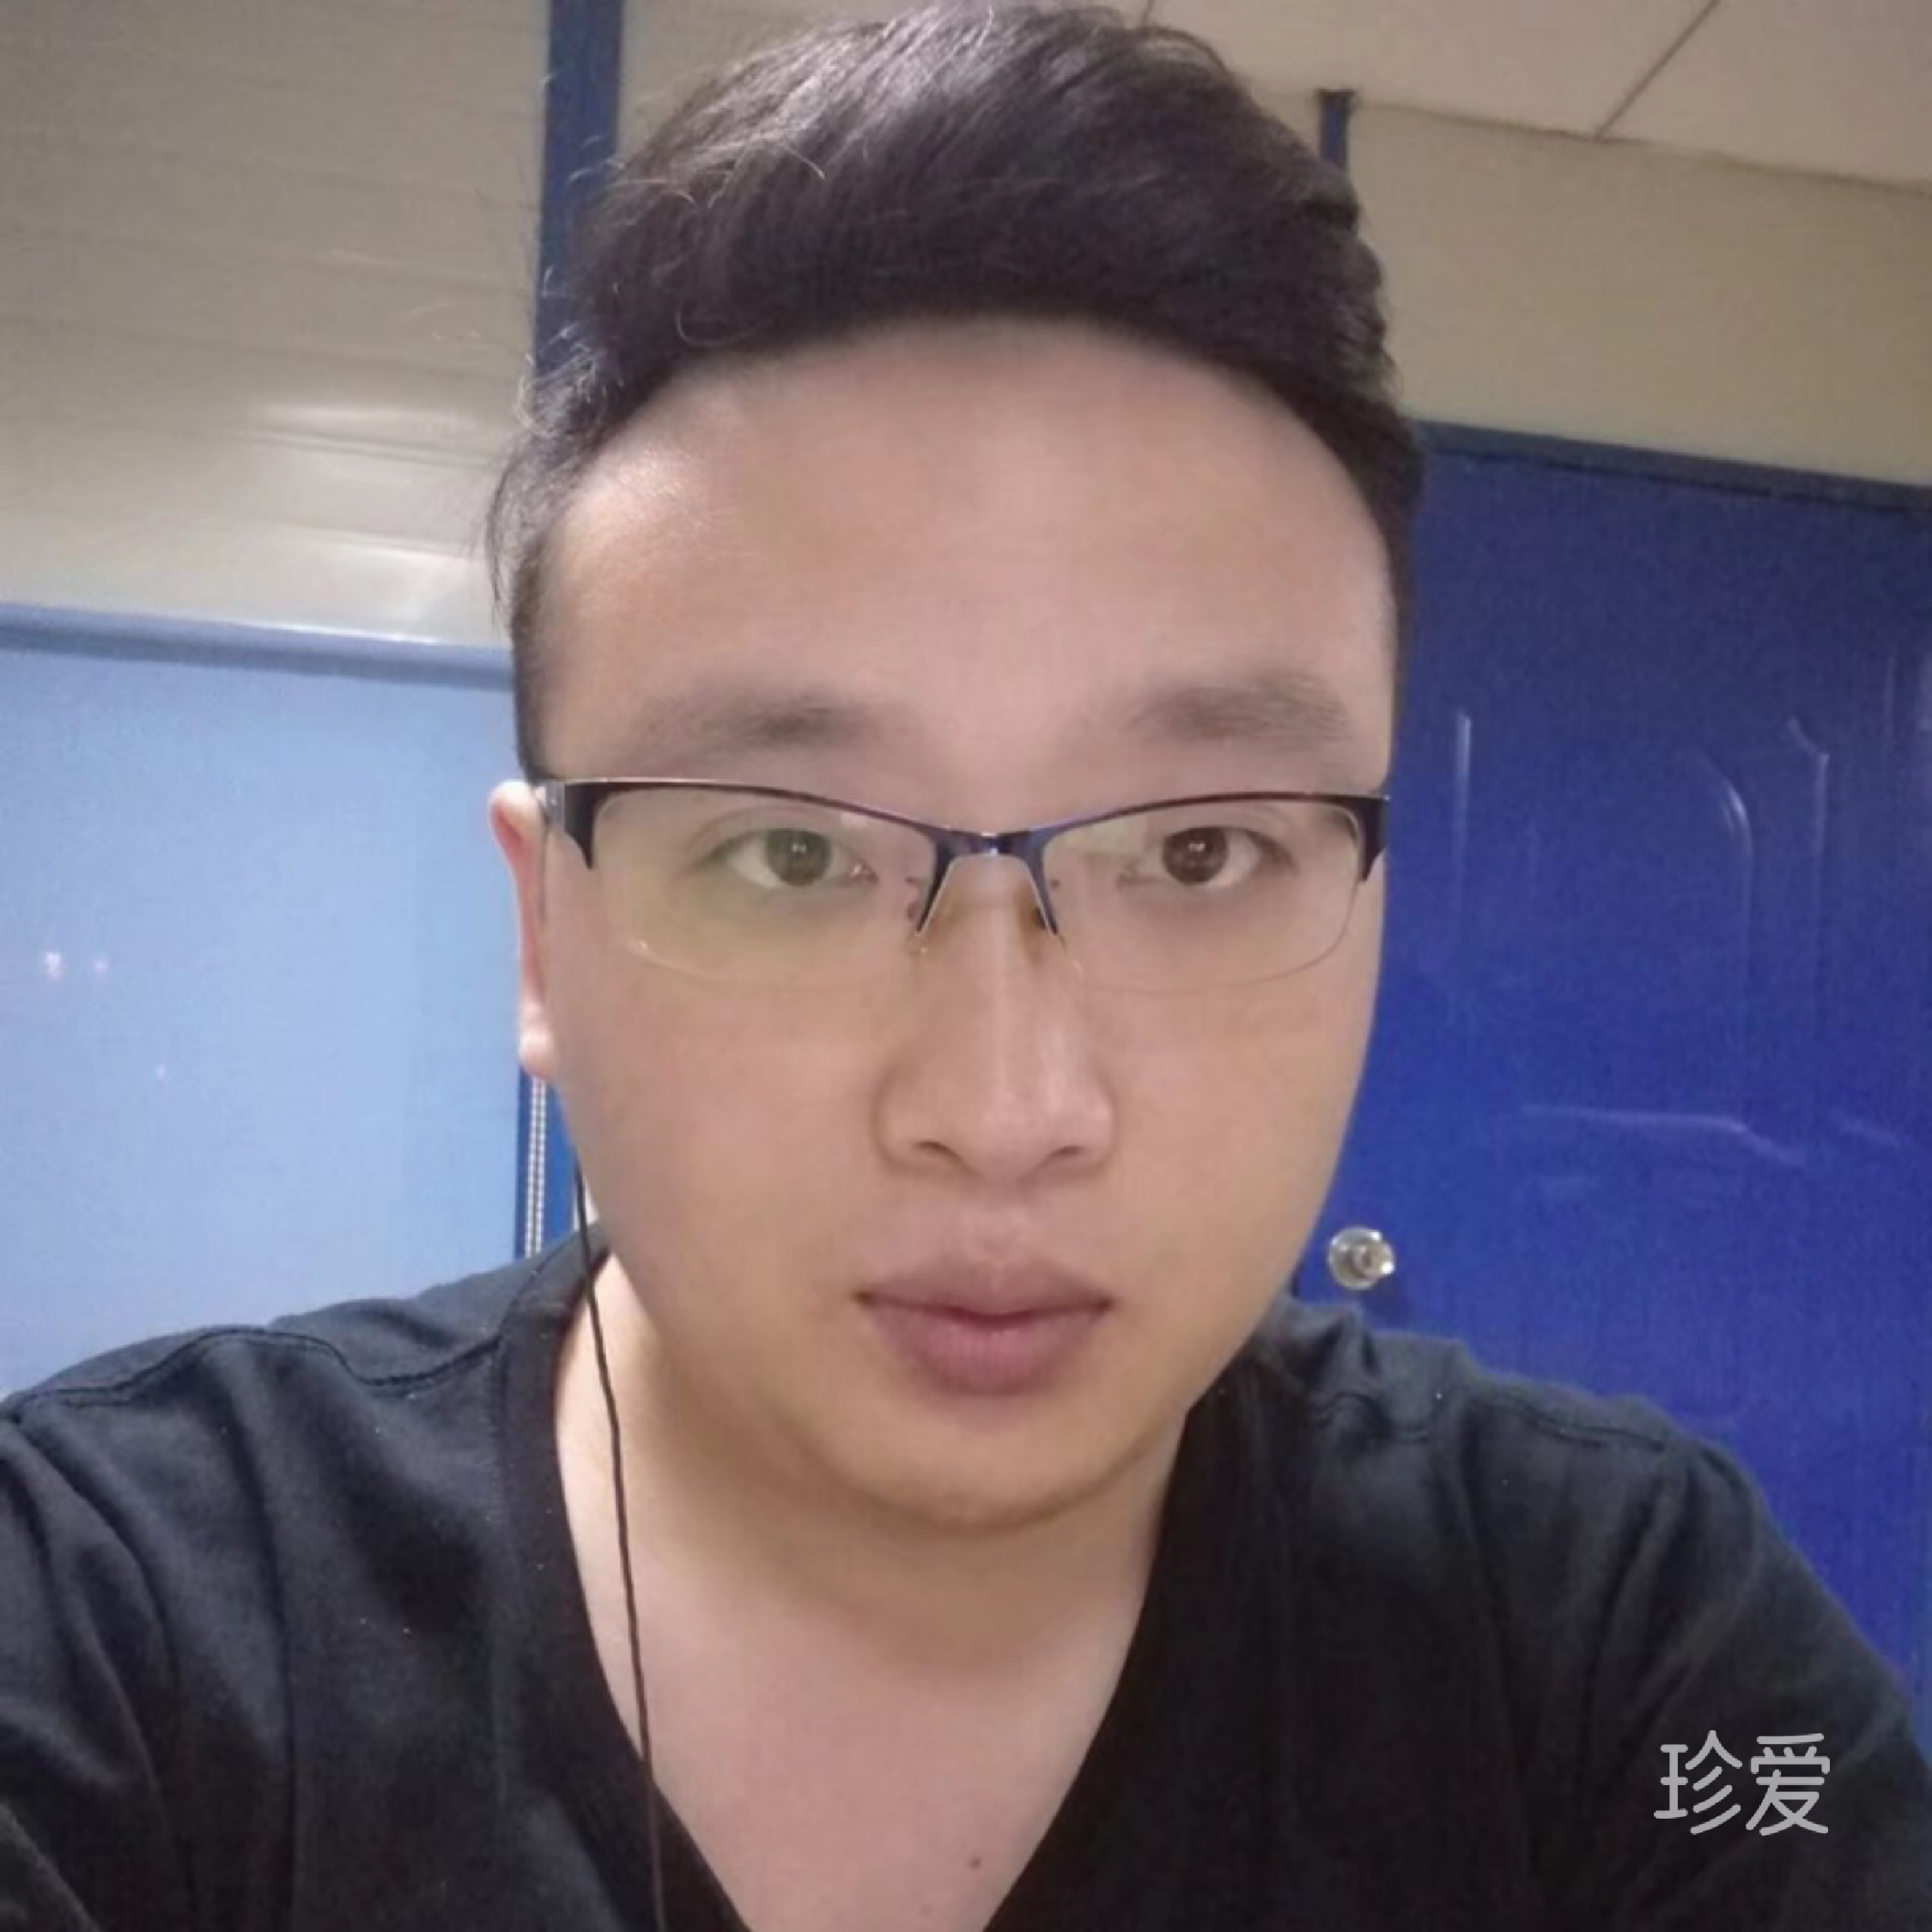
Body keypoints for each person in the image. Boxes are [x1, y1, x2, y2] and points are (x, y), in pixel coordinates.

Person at [3, 6, 1929, 1929]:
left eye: (1196, 851)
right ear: (542, 933)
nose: (1004, 1113)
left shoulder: (1610, 1650)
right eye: (790, 852)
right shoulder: (118, 1635)